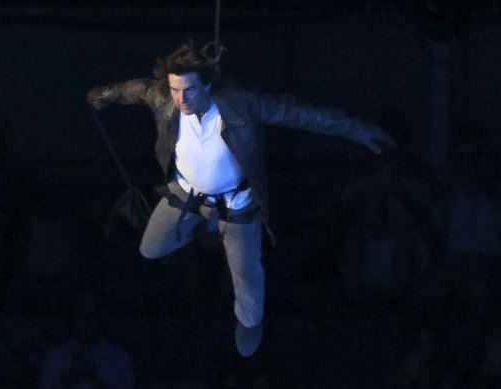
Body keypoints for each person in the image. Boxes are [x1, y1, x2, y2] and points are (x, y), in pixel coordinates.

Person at [87, 41, 394, 357]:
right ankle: (204, 227)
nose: (182, 99)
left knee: (246, 278)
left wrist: (356, 130)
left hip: (235, 203)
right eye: (176, 90)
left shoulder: (242, 104)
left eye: (189, 90)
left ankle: (249, 323)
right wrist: (101, 95)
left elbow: (303, 114)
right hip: (186, 195)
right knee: (151, 249)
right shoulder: (163, 97)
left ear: (207, 83)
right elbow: (130, 90)